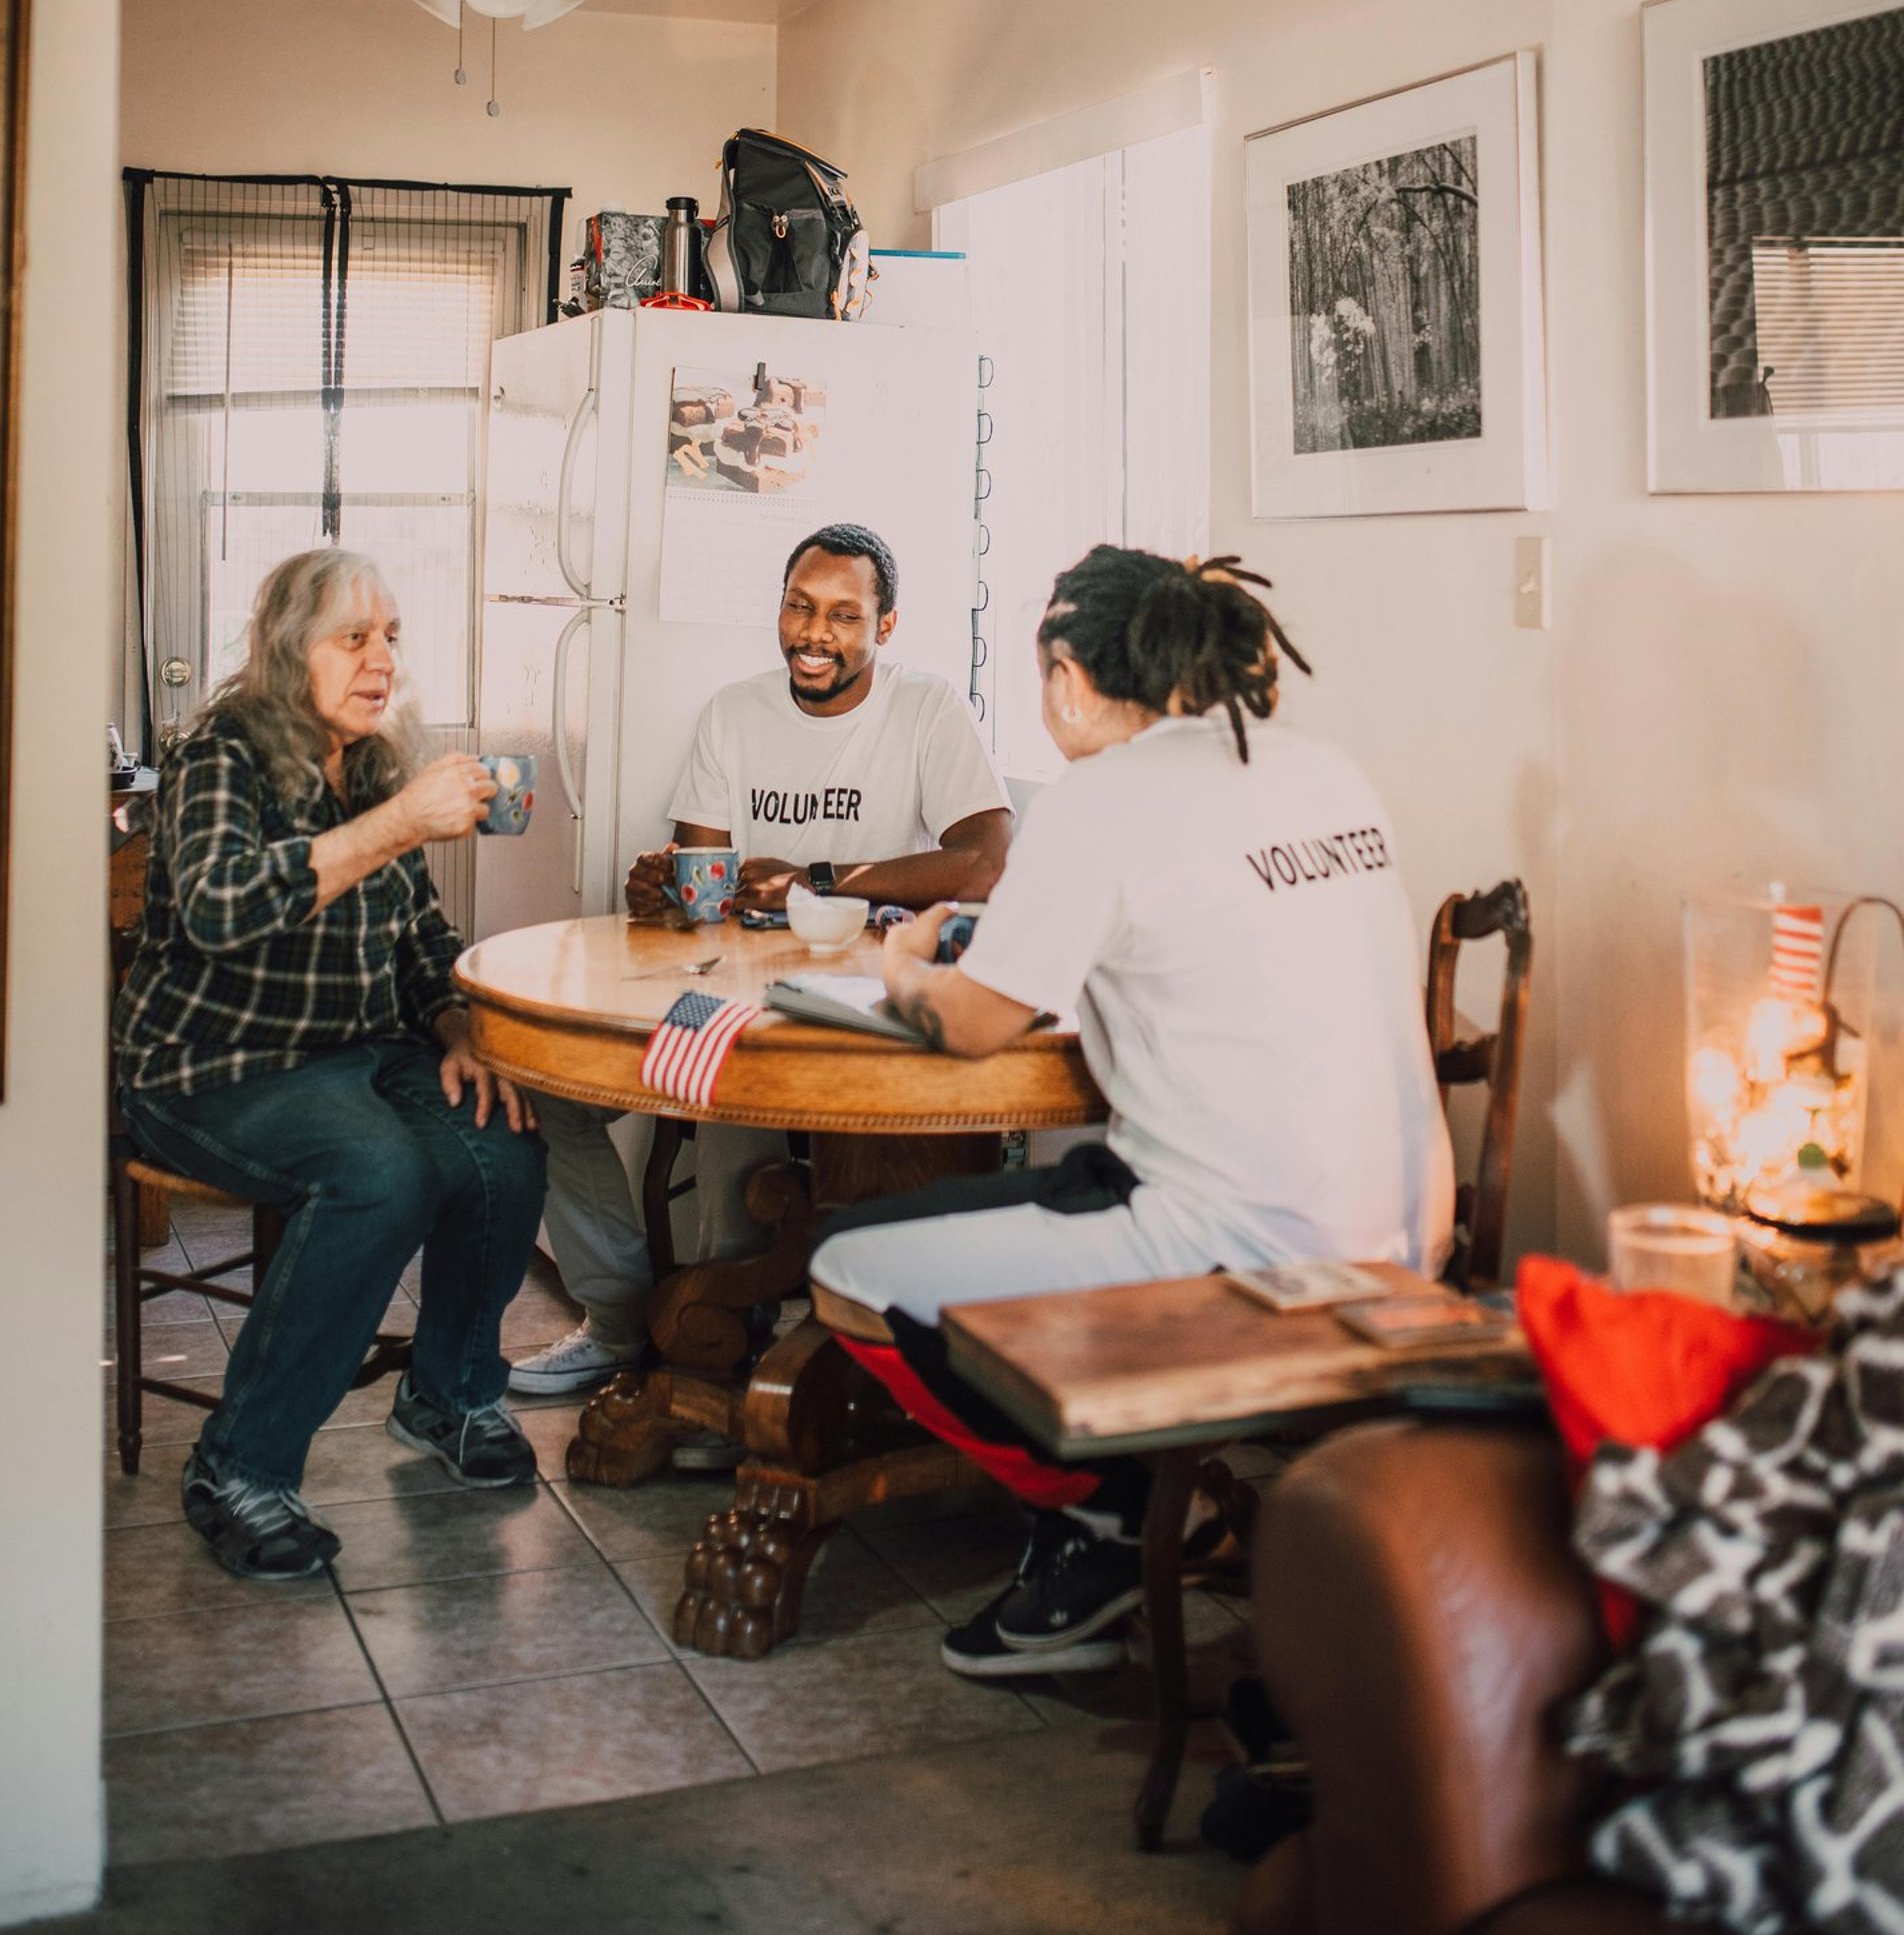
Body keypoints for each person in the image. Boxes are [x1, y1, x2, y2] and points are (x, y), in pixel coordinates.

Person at [809, 543, 1454, 1677]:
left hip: (1249, 1251)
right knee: (1059, 1185)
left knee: (848, 1269)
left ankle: (1103, 1514)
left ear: (1065, 677)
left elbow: (973, 1027)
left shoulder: (1099, 799)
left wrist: (904, 966)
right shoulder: (1317, 766)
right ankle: (1122, 1494)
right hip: (1407, 1230)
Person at [512, 522, 1013, 1435]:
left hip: (878, 998)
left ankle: (739, 1321)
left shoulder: (927, 707)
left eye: (842, 616)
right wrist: (660, 887)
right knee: (559, 1089)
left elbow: (985, 861)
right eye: (798, 606)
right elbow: (705, 885)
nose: (813, 634)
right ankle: (638, 1320)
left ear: (884, 628)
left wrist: (820, 878)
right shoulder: (734, 713)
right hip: (733, 988)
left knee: (743, 1094)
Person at [115, 548, 547, 1582]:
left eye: (392, 636)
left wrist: (452, 1023)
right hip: (208, 1065)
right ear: (284, 650)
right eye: (354, 637)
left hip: (351, 1048)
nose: (381, 659)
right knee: (381, 1172)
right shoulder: (221, 750)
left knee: (504, 1135)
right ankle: (240, 1466)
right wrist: (395, 825)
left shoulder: (379, 762)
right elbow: (220, 906)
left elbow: (416, 929)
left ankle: (450, 1392)